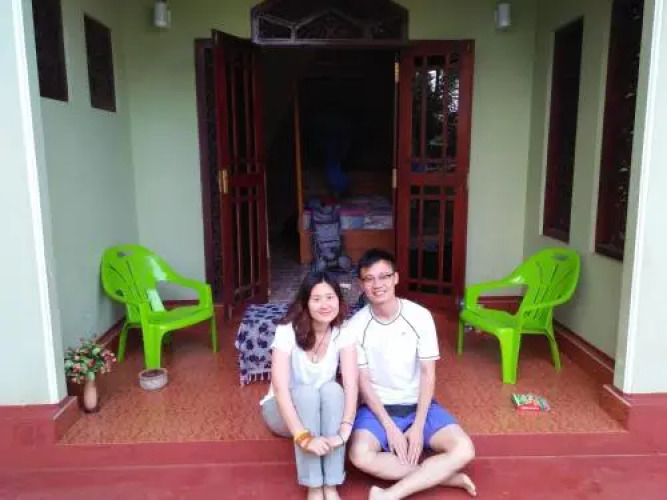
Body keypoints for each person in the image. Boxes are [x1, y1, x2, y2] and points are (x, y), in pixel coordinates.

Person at [347, 249, 477, 500]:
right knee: (359, 455)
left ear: (396, 278)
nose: (377, 284)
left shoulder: (419, 316)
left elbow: (428, 374)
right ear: (361, 285)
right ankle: (445, 477)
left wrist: (417, 426)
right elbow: (364, 383)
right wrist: (390, 427)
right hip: (378, 409)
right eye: (369, 279)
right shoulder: (356, 326)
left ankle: (390, 495)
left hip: (420, 406)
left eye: (384, 276)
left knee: (464, 450)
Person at [260, 271, 358, 500]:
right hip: (283, 412)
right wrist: (303, 437)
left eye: (330, 297)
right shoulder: (287, 330)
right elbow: (281, 389)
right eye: (317, 299)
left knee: (334, 390)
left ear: (339, 300)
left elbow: (351, 384)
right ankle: (314, 485)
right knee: (306, 393)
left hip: (323, 411)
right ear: (305, 303)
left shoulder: (343, 331)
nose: (325, 305)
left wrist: (344, 430)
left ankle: (331, 484)